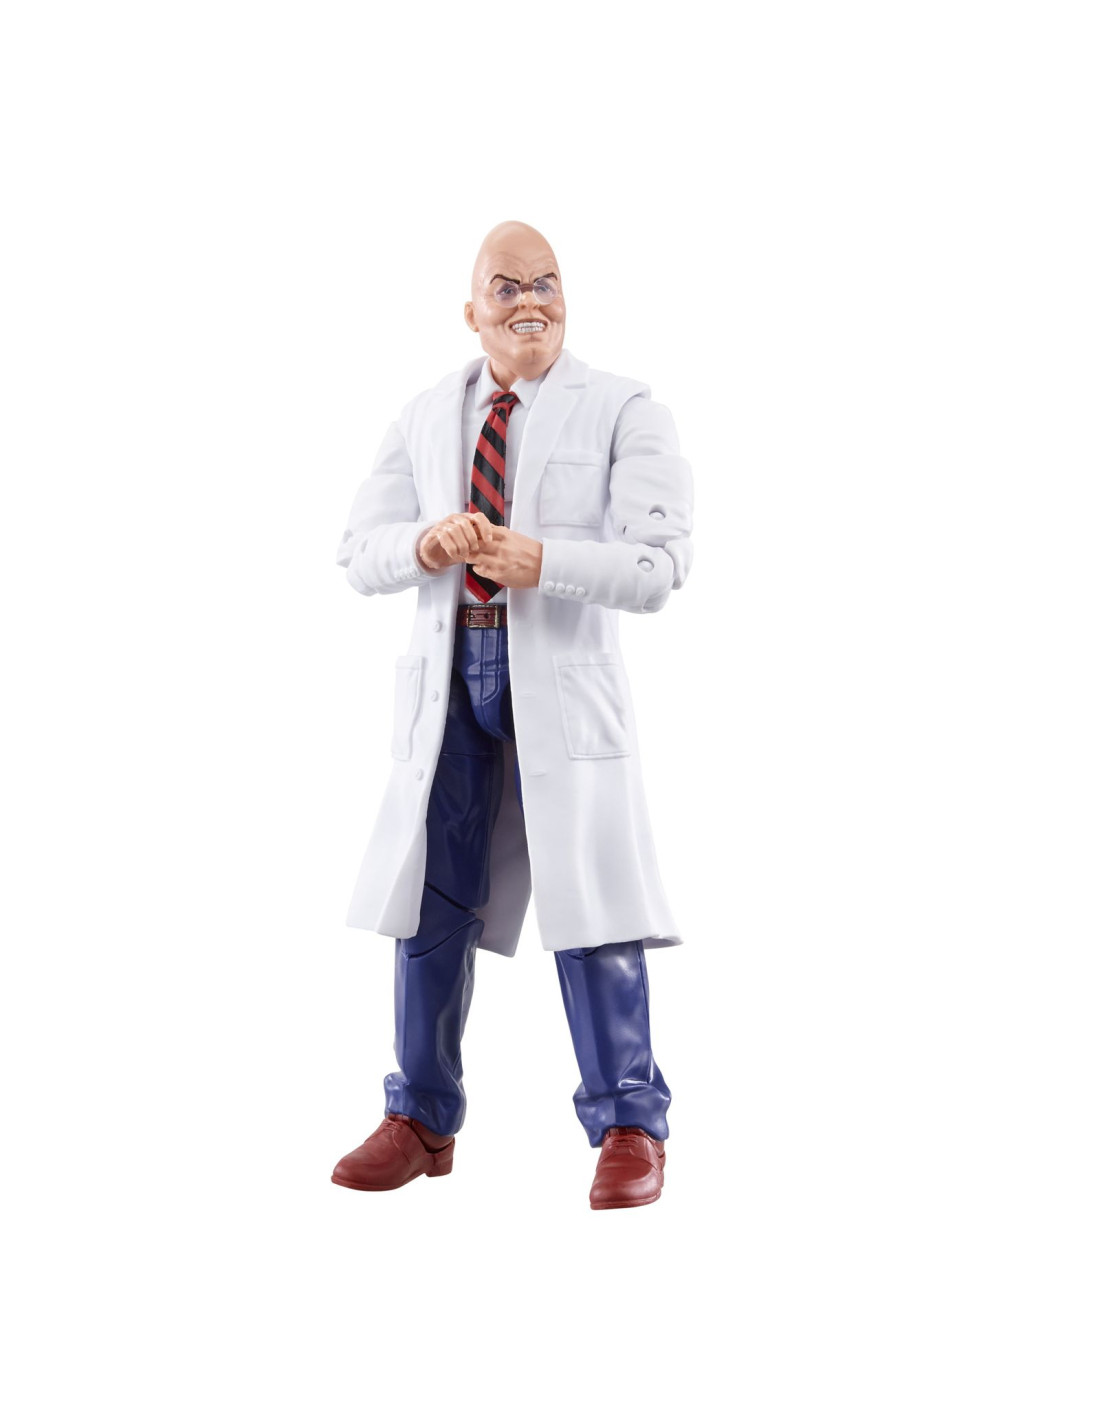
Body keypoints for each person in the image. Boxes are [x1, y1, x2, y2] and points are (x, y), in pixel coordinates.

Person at [332, 221, 693, 1209]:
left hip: (559, 691)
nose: (530, 301)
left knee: (592, 903)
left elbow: (661, 565)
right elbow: (358, 549)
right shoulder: (424, 415)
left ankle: (628, 1122)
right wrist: (424, 544)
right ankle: (420, 1117)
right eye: (507, 287)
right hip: (450, 678)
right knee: (429, 901)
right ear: (472, 310)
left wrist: (544, 561)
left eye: (546, 283)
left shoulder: (623, 408)